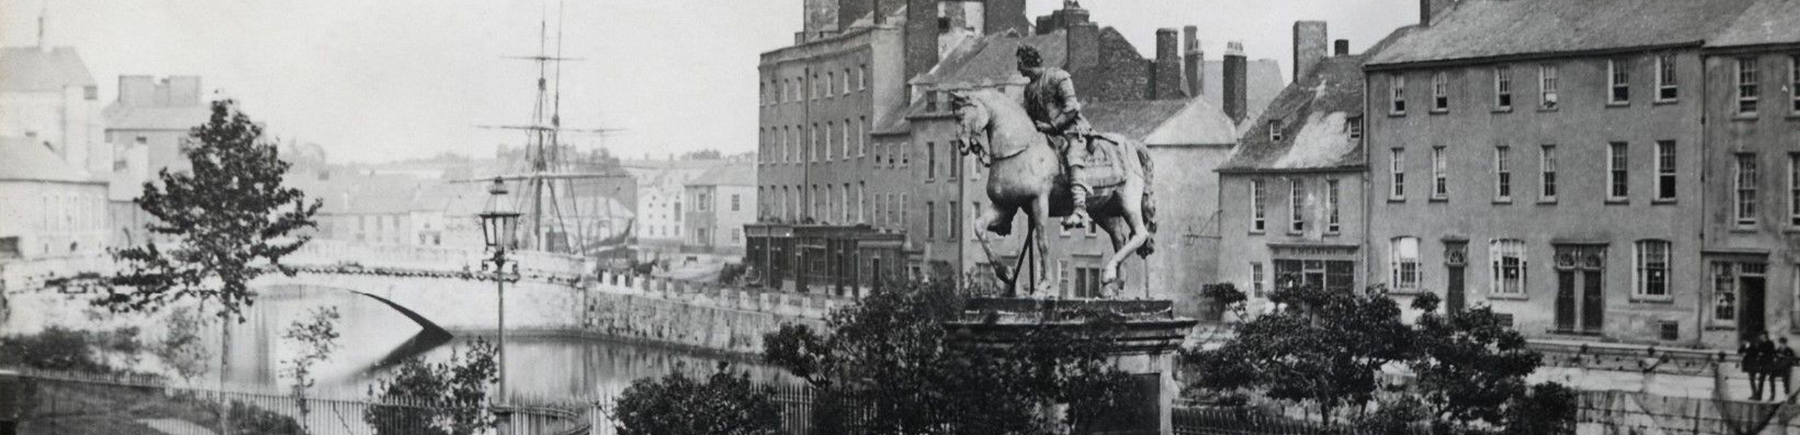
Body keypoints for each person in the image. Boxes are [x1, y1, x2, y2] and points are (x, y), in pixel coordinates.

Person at [1017, 45, 1094, 230]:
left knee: (1074, 158)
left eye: (1019, 64)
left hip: (1071, 130)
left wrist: (1053, 125)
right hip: (1046, 136)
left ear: (1029, 62)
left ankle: (1080, 209)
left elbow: (1072, 107)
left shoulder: (1058, 77)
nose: (1018, 68)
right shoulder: (1029, 89)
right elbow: (1026, 115)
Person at [1777, 337, 1797, 402]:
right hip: (1781, 367)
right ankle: (1785, 394)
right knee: (1783, 381)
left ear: (1785, 343)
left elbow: (1792, 358)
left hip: (1787, 367)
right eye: (1780, 343)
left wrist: (1784, 357)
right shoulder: (1778, 350)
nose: (1781, 345)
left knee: (1787, 381)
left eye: (1782, 344)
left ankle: (1787, 395)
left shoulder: (1789, 350)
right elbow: (1776, 357)